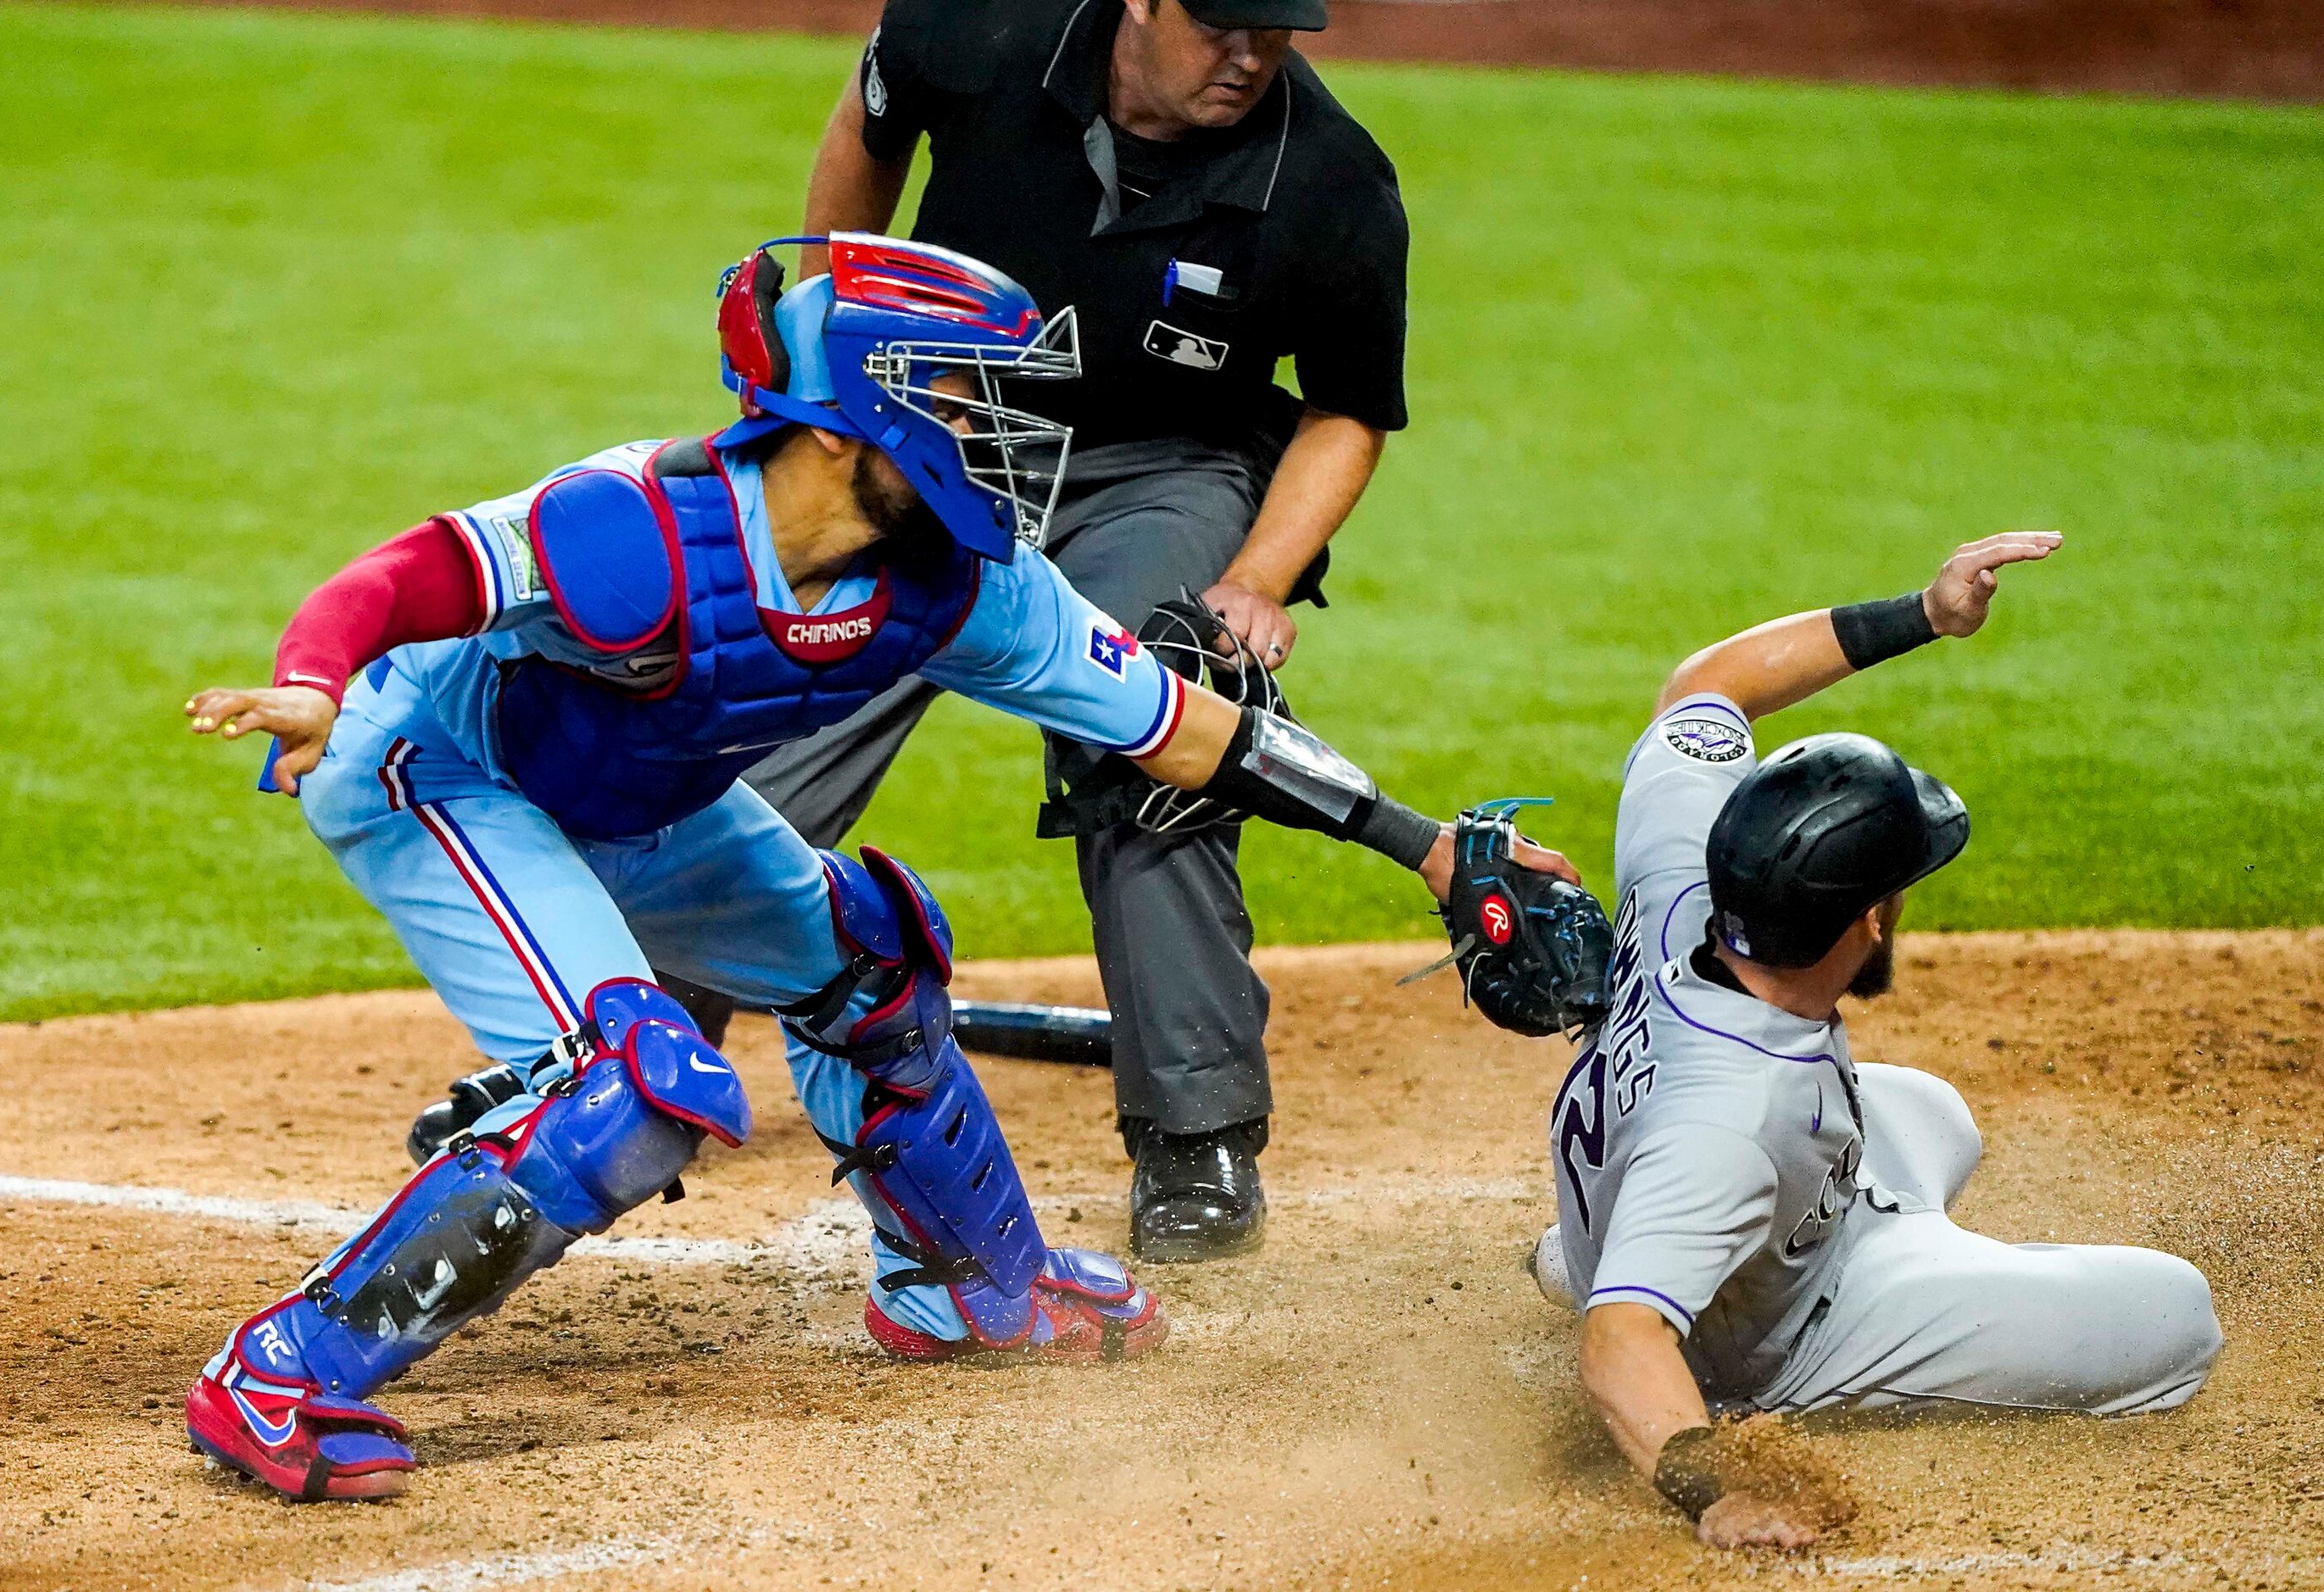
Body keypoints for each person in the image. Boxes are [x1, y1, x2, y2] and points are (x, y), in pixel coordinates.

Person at [176, 234, 1574, 1500]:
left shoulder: (961, 582)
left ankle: (968, 1287)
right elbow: (402, 577)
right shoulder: (636, 530)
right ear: (856, 422)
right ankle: (284, 1370)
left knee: (868, 963)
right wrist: (311, 680)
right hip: (437, 766)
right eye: (969, 400)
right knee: (630, 1092)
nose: (1005, 429)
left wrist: (1429, 846)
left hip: (650, 800)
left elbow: (1184, 728)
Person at [729, 0, 1415, 1261]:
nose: (1250, 54)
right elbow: (865, 133)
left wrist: (1257, 576)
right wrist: (830, 333)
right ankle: (617, 1052)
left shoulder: (1323, 180)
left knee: (1153, 720)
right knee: (760, 688)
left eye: (1276, 27)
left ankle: (1194, 1131)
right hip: (946, 423)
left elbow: (1345, 410)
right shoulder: (977, 23)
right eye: (1221, 22)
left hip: (1163, 465)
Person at [1534, 531, 2223, 1550]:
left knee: (1929, 1111)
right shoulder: (1731, 1120)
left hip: (1701, 1189)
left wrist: (1926, 614)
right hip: (1772, 1341)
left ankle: (1598, 1252)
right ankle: (1706, 1306)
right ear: (1865, 920)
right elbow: (1618, 1344)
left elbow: (1705, 690)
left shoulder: (1685, 870)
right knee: (2176, 1317)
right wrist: (1718, 1490)